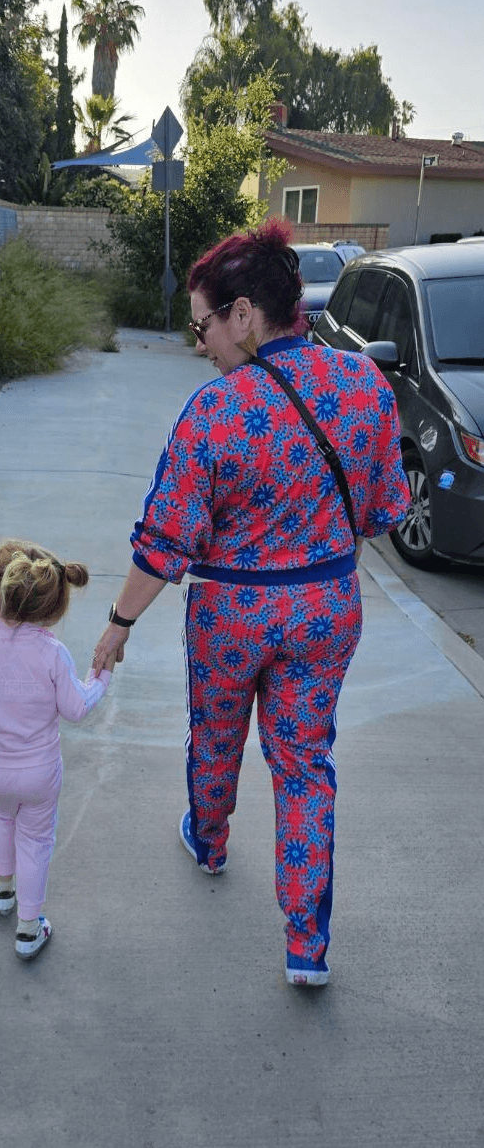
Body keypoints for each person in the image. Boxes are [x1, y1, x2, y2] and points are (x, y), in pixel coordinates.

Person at [91, 218, 410, 986]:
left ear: (242, 315)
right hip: (326, 609)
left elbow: (165, 542)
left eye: (202, 325)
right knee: (305, 767)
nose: (200, 343)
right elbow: (383, 512)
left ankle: (209, 841)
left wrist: (118, 624)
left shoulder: (214, 411)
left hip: (231, 617)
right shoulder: (364, 386)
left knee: (216, 734)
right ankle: (307, 948)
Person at [0, 539, 112, 960]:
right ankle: (29, 929)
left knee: (2, 815)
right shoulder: (52, 653)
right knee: (35, 838)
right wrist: (100, 678)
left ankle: (3, 889)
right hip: (40, 773)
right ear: (50, 607)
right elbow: (75, 708)